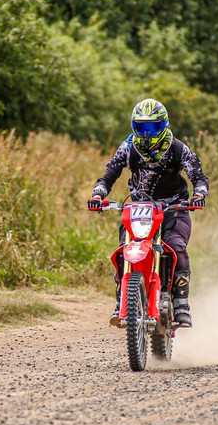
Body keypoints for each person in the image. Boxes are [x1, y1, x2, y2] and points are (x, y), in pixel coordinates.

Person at [87, 98, 208, 327]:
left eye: (152, 127)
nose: (147, 133)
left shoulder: (177, 148)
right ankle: (122, 300)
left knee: (176, 247)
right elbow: (109, 175)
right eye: (142, 127)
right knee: (124, 251)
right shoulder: (128, 147)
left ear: (164, 125)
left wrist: (199, 195)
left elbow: (199, 176)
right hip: (140, 210)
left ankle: (181, 305)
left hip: (174, 208)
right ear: (134, 126)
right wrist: (97, 196)